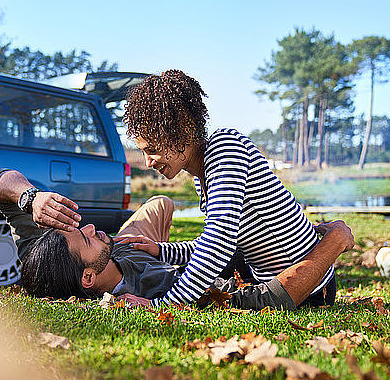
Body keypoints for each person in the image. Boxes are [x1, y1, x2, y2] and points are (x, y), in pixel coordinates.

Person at [117, 69, 339, 307]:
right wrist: (161, 251)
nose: (148, 162)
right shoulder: (202, 174)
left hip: (309, 286)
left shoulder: (225, 148)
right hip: (264, 273)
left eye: (152, 149)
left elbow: (219, 241)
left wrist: (165, 304)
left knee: (209, 294)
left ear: (183, 127)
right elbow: (215, 241)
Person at [0, 169, 354, 309]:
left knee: (161, 203)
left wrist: (31, 198)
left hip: (129, 245)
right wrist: (333, 242)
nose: (88, 226)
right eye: (84, 238)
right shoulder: (151, 289)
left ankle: (152, 241)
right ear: (88, 278)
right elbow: (267, 299)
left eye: (77, 227)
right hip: (143, 264)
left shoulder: (38, 254)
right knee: (235, 245)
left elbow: (1, 184)